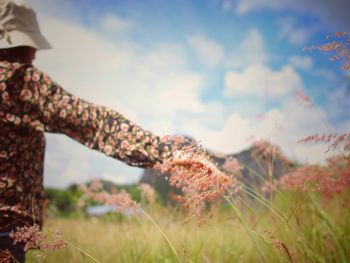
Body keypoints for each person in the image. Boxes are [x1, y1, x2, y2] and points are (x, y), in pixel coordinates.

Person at [0, 1, 224, 262]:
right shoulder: (17, 81)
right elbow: (94, 123)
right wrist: (166, 151)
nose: (34, 54)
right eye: (29, 45)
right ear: (13, 43)